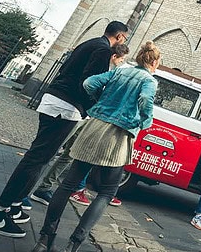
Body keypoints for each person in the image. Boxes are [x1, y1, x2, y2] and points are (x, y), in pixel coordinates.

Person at [0, 21, 128, 238]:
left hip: (57, 101)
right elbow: (88, 84)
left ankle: (12, 205)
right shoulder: (103, 49)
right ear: (120, 36)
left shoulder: (91, 43)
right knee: (36, 159)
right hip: (65, 107)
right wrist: (93, 108)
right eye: (125, 38)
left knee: (39, 159)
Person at [29, 41, 160, 252]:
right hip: (117, 134)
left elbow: (90, 83)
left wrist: (99, 101)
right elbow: (145, 101)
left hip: (94, 126)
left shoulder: (120, 71)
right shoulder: (149, 81)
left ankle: (44, 242)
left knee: (67, 184)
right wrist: (145, 121)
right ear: (154, 62)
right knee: (107, 192)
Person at [30, 43, 131, 208]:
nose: (122, 62)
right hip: (81, 113)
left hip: (87, 116)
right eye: (122, 59)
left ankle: (44, 187)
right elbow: (88, 85)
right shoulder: (104, 69)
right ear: (115, 57)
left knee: (69, 154)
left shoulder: (112, 71)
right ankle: (27, 191)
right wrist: (93, 103)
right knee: (54, 149)